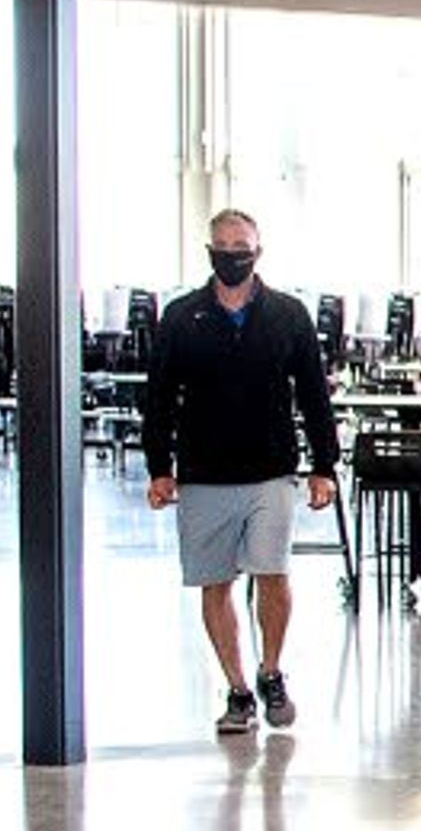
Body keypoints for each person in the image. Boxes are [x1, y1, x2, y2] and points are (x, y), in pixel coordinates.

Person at [142, 209, 339, 737]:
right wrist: (159, 468)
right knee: (215, 583)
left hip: (270, 469)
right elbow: (158, 397)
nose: (232, 254)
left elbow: (315, 395)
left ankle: (271, 670)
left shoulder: (288, 315)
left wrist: (325, 465)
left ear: (258, 249)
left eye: (241, 245)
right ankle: (237, 688)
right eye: (222, 245)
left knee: (272, 574)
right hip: (204, 473)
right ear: (209, 250)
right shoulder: (182, 317)